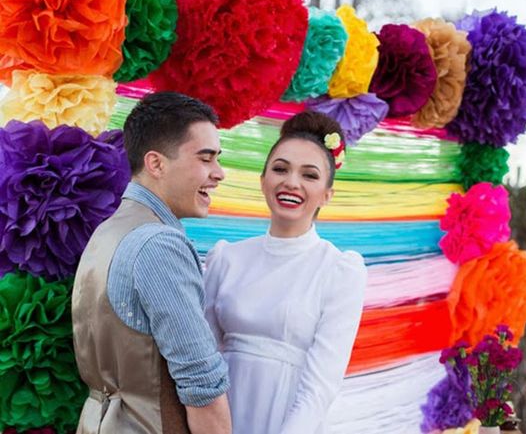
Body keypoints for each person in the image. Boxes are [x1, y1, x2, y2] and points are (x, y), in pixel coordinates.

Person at [72, 92, 232, 434]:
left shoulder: (108, 231)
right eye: (206, 158)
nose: (219, 173)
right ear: (156, 164)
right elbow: (202, 385)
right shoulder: (159, 243)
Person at [204, 111, 368, 434]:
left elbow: (321, 386)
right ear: (262, 180)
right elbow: (202, 357)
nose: (292, 182)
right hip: (219, 419)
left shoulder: (339, 271)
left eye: (309, 175)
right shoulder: (226, 259)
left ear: (327, 195)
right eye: (280, 169)